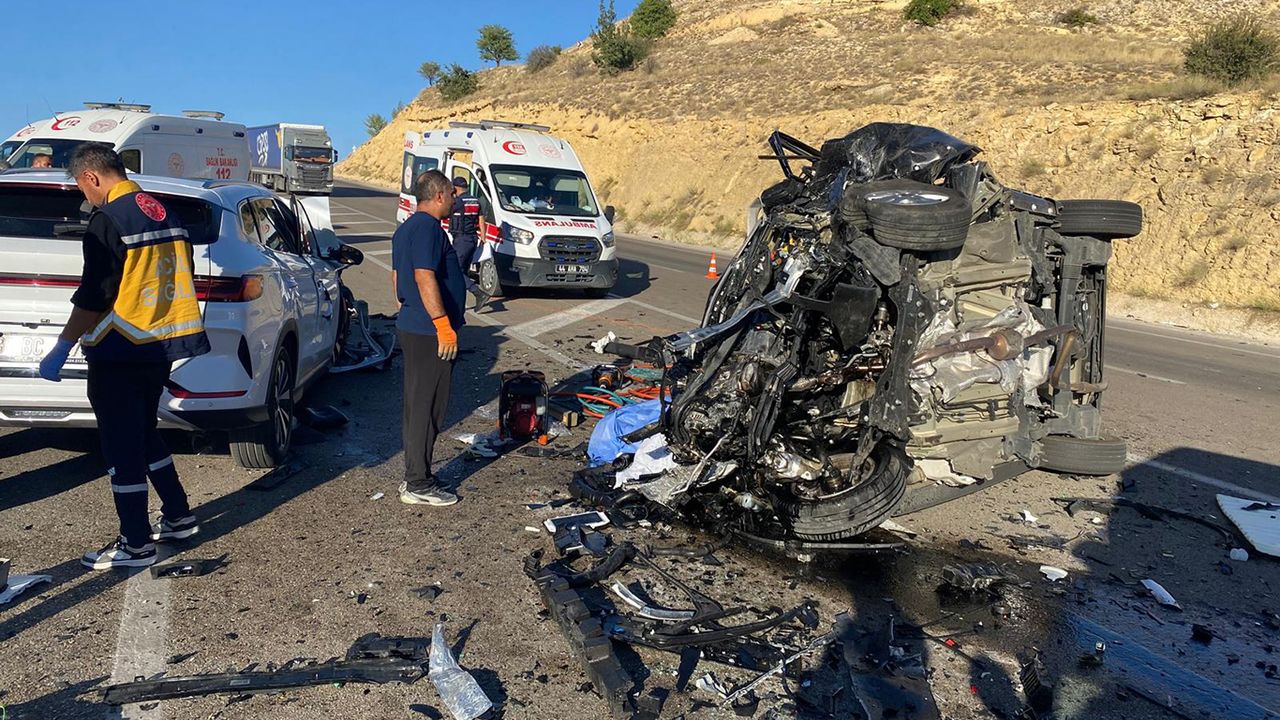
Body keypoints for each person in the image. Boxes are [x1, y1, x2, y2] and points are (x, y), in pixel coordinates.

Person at [39, 143, 208, 569]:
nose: (85, 197)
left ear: (91, 177)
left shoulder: (109, 219)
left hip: (120, 345)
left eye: (82, 188)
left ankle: (136, 543)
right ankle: (178, 515)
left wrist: (63, 344)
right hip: (161, 343)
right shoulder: (163, 211)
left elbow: (95, 295)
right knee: (144, 432)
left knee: (120, 446)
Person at [391, 170, 467, 506]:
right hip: (429, 332)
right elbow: (424, 276)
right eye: (451, 194)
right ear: (438, 195)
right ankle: (418, 484)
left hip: (414, 325)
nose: (454, 200)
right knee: (428, 406)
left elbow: (397, 279)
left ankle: (417, 474)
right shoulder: (428, 228)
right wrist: (442, 324)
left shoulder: (406, 228)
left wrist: (409, 309)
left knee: (417, 404)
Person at [449, 176, 490, 311]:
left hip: (462, 240)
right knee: (463, 273)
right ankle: (459, 304)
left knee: (455, 270)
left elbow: (446, 211)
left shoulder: (458, 202)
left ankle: (478, 293)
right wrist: (483, 238)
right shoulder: (476, 201)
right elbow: (481, 220)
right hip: (473, 239)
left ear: (456, 188)